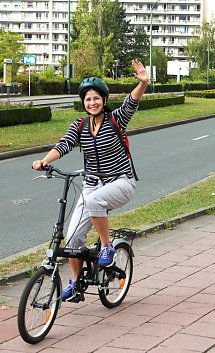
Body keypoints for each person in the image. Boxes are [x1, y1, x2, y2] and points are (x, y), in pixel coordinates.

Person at [32, 59, 149, 302]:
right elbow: (64, 145)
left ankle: (107, 247)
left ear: (104, 100)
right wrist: (44, 160)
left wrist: (143, 83)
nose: (92, 102)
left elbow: (132, 102)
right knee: (73, 238)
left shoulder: (116, 119)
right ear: (83, 102)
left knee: (94, 200)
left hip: (121, 182)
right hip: (92, 184)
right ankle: (75, 283)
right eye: (88, 99)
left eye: (96, 98)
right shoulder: (80, 125)